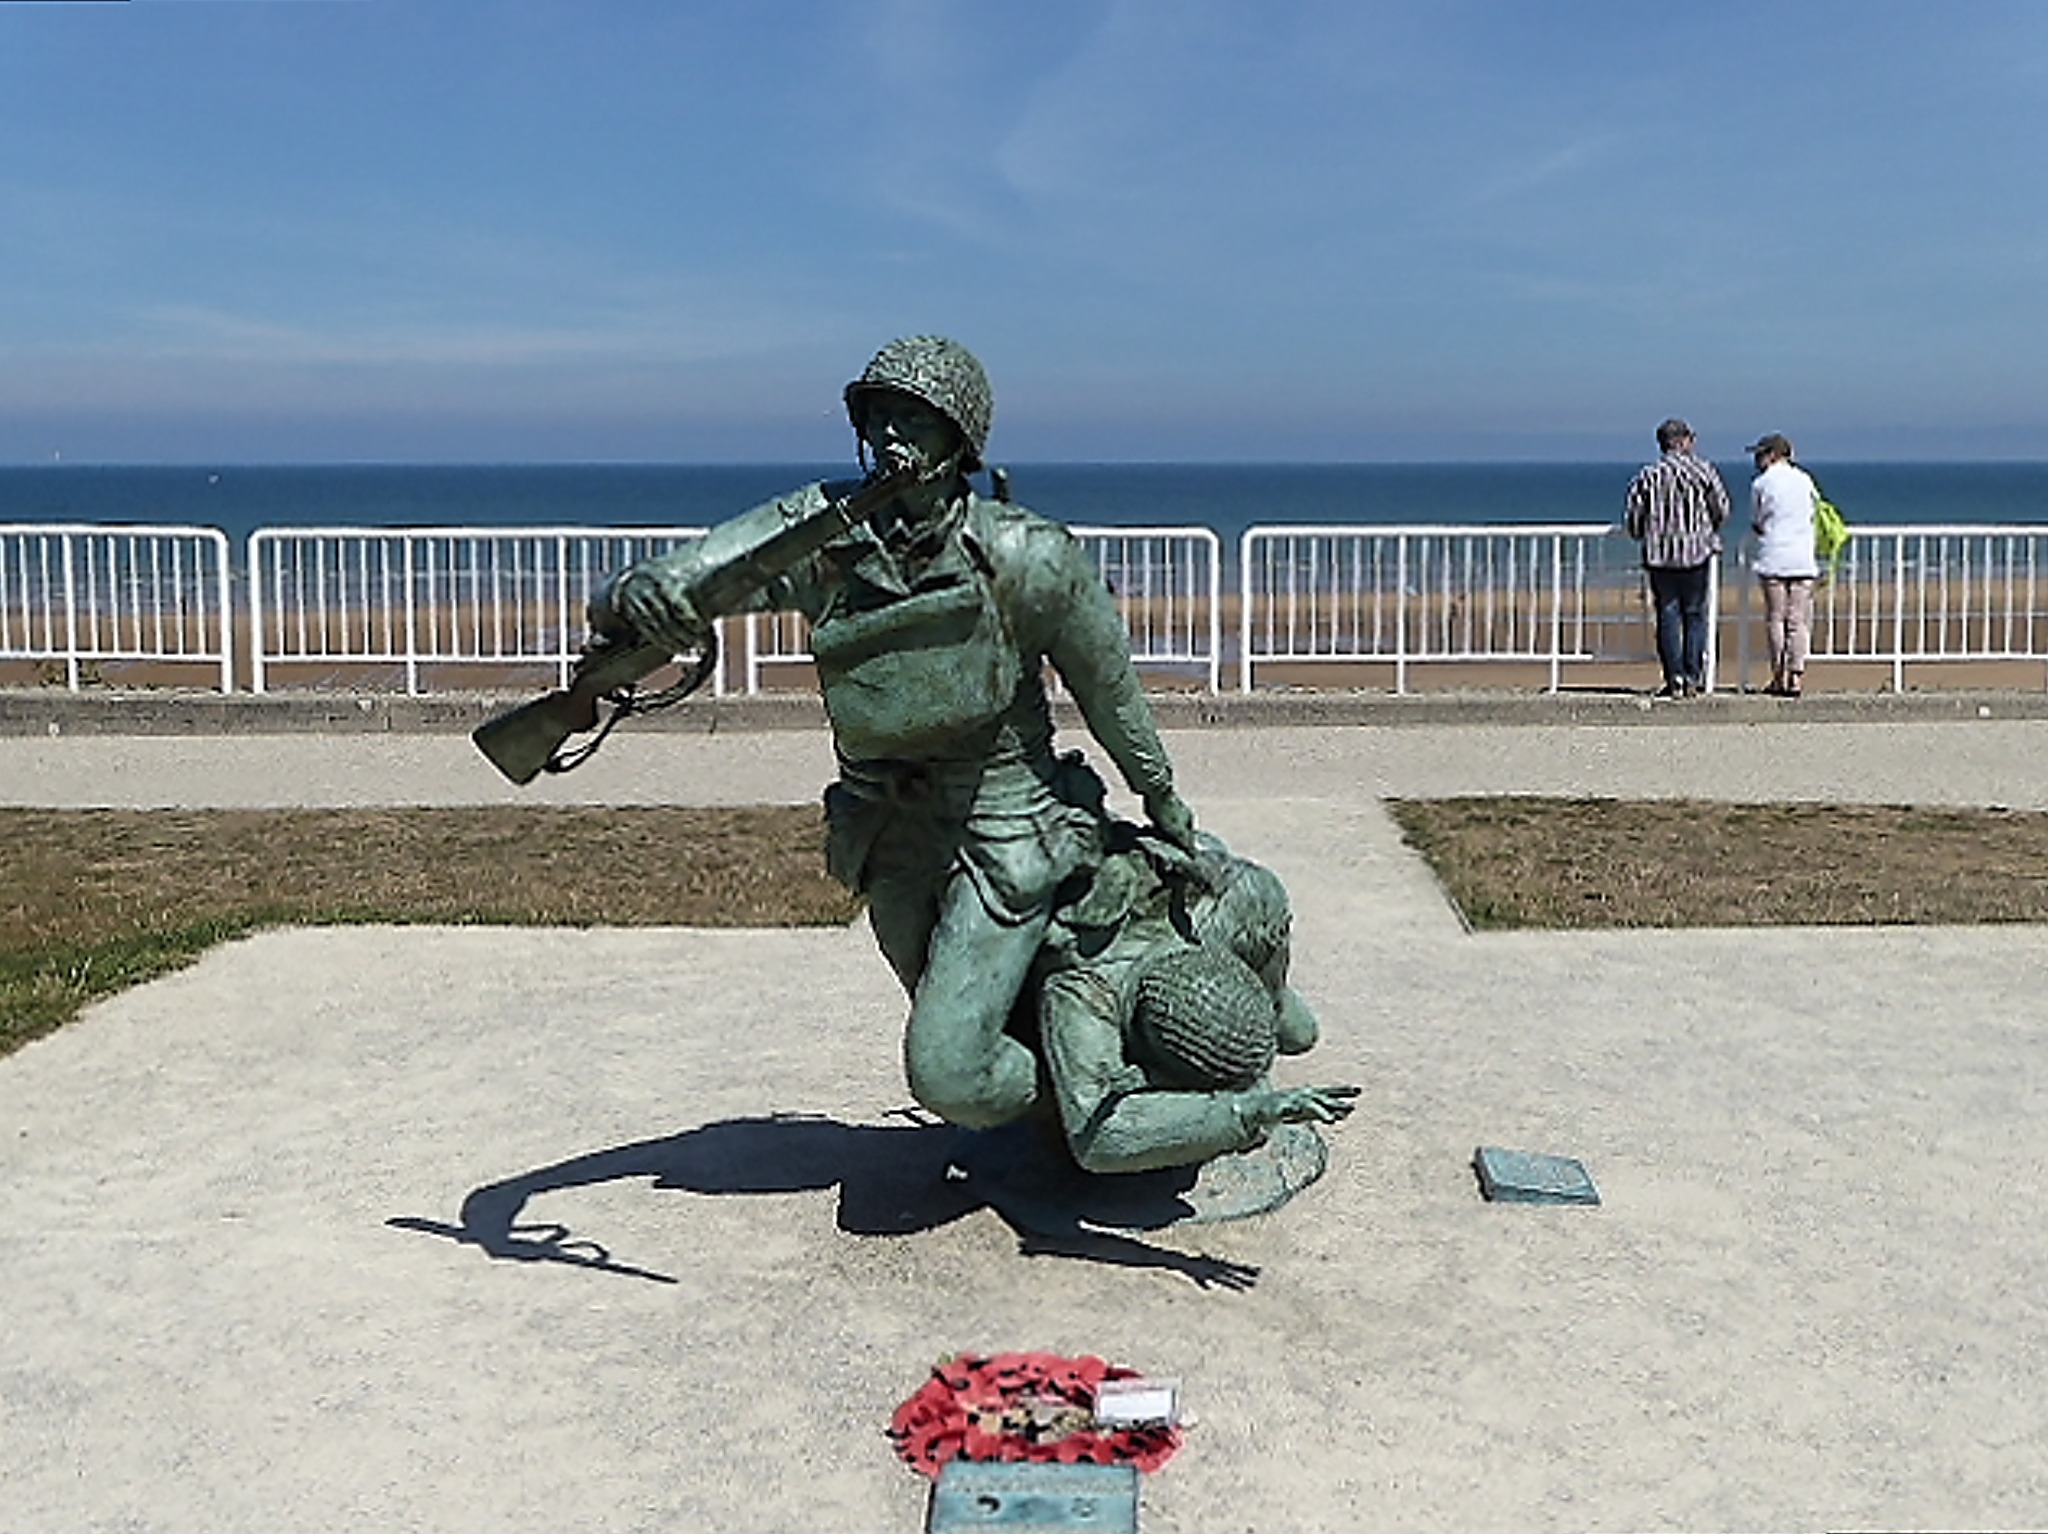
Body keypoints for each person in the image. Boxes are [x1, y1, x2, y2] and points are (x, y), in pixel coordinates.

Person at [592, 336, 1200, 1132]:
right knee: (960, 1028)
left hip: (1005, 825)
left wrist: (1161, 797)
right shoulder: (818, 533)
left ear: (960, 438)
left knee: (947, 1072)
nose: (889, 435)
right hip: (885, 827)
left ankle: (1108, 1111)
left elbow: (1109, 691)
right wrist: (636, 594)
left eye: (913, 417)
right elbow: (681, 576)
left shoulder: (1028, 555)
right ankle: (1069, 1117)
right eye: (878, 416)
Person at [1028, 824, 1358, 1174]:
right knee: (1016, 1088)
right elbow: (1100, 1141)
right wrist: (1244, 1113)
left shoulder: (1227, 908)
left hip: (1156, 913)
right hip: (1042, 887)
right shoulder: (1081, 993)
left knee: (1299, 1034)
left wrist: (1267, 1004)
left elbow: (1298, 1032)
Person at [1624, 418, 1731, 698]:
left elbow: (1634, 518)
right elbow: (1721, 508)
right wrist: (1706, 529)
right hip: (1696, 552)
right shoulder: (1702, 470)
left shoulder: (1648, 475)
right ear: (1684, 441)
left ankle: (1675, 678)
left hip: (1660, 556)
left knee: (1667, 614)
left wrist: (1644, 533)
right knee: (1694, 614)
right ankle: (1693, 676)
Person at [1746, 432, 1820, 698]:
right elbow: (1814, 510)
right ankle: (1796, 676)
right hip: (1802, 557)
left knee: (1776, 618)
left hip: (1774, 556)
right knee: (1798, 620)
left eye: (1760, 454)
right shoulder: (1805, 480)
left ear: (1772, 455)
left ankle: (1778, 676)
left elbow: (1757, 520)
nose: (1757, 460)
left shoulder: (1761, 484)